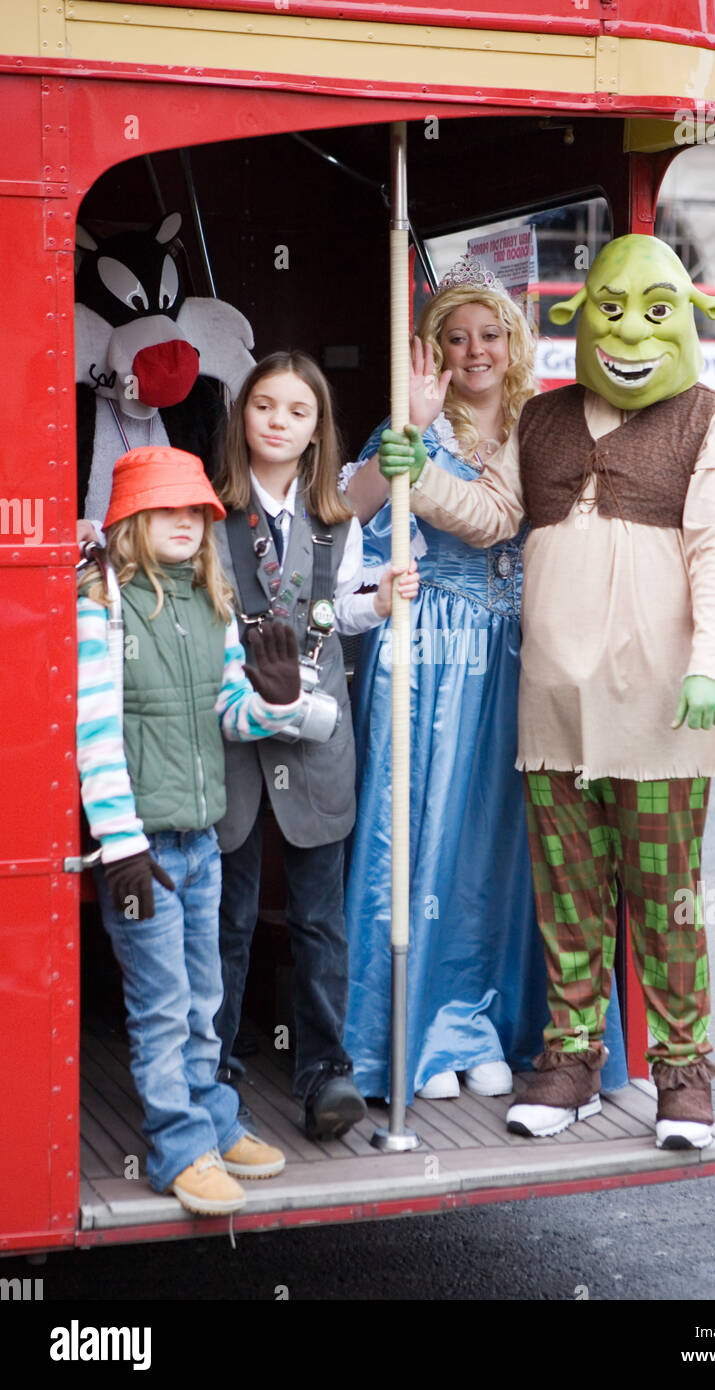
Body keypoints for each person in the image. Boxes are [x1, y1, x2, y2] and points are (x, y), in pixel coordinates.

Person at [380, 235, 715, 1147]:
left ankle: (683, 1071)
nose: (629, 332)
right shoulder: (541, 421)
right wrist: (422, 477)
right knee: (567, 896)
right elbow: (496, 519)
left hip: (661, 706)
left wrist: (713, 660)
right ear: (581, 317)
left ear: (688, 321)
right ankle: (573, 1059)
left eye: (655, 311)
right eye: (611, 309)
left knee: (668, 897)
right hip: (553, 707)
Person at [342, 255, 629, 1102]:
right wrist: (411, 432)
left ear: (514, 343)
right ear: (431, 352)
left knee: (509, 853)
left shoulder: (540, 427)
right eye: (455, 337)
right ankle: (419, 1036)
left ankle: (496, 1022)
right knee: (421, 839)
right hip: (428, 658)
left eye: (490, 334)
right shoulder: (411, 424)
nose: (475, 351)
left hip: (515, 658)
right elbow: (346, 516)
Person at [77, 444, 304, 1215]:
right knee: (163, 1003)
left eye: (197, 511)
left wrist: (274, 699)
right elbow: (96, 733)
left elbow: (233, 717)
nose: (186, 521)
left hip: (202, 843)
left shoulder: (212, 603)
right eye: (167, 508)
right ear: (131, 519)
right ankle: (178, 1147)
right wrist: (120, 842)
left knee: (205, 997)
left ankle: (212, 1117)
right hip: (142, 851)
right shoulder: (102, 604)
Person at [211, 352, 419, 1139]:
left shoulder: (342, 520)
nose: (277, 422)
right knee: (227, 913)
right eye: (264, 406)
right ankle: (217, 1065)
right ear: (243, 418)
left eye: (297, 412)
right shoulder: (209, 513)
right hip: (233, 725)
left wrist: (383, 598)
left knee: (319, 917)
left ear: (316, 429)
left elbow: (343, 611)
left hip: (317, 726)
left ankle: (325, 1069)